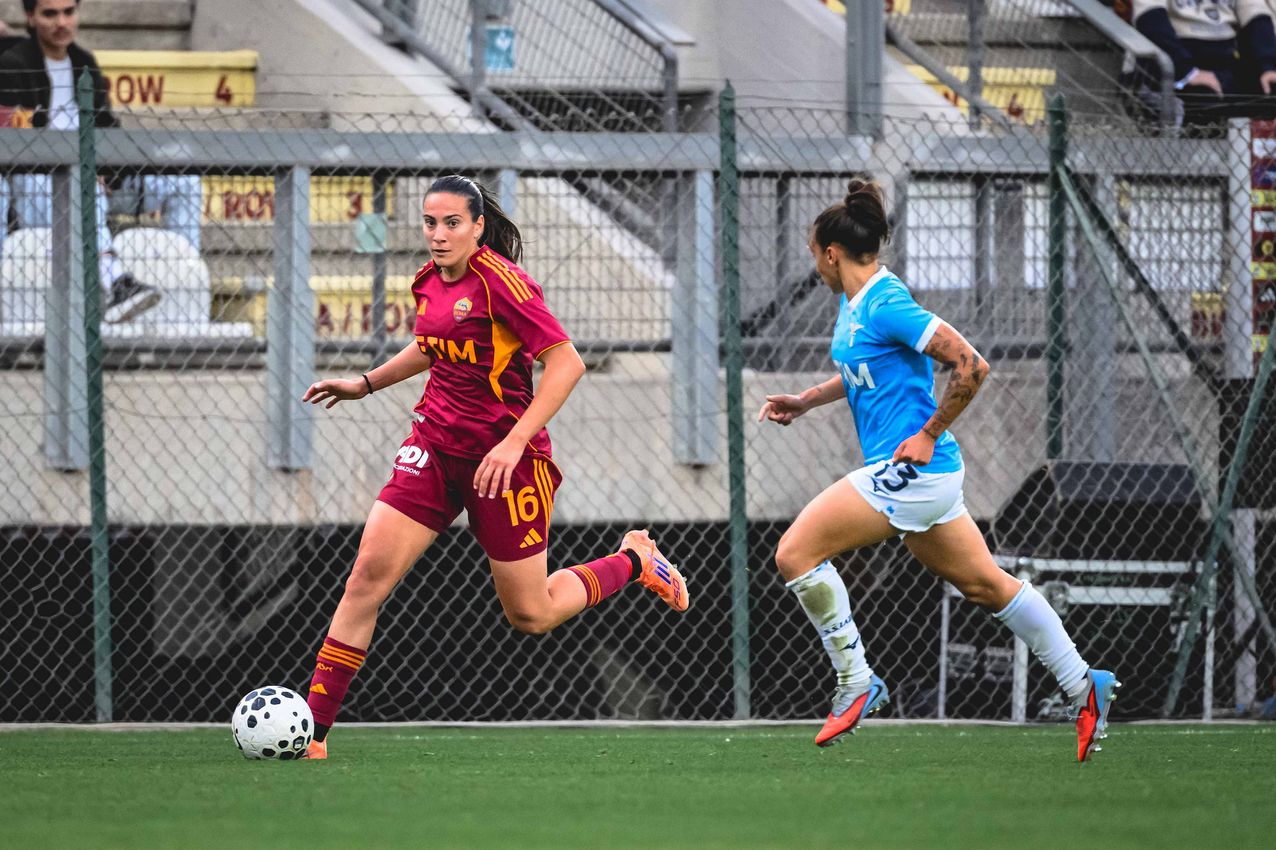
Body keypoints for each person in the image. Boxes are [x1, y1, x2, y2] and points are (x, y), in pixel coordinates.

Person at [298, 175, 690, 759]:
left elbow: (567, 365)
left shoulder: (504, 285)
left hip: (507, 463)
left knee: (531, 614)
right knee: (365, 579)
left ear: (478, 227)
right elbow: (433, 346)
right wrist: (366, 382)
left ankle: (634, 560)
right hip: (432, 446)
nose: (438, 234)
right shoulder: (427, 281)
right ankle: (311, 735)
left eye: (452, 223)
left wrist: (512, 442)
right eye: (430, 223)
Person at [758, 177, 1120, 761]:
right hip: (922, 479)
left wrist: (928, 434)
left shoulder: (885, 302)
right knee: (984, 584)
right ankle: (1085, 685)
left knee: (794, 554)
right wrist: (806, 399)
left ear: (831, 253)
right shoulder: (855, 306)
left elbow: (971, 365)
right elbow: (863, 372)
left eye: (814, 256)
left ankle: (856, 682)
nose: (816, 268)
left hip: (915, 473)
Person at [0, 0, 202, 323]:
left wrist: (107, 170)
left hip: (95, 180)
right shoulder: (13, 65)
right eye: (50, 14)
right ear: (31, 17)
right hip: (37, 185)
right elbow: (12, 144)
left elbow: (108, 131)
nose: (62, 22)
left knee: (183, 184)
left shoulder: (84, 64)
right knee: (80, 180)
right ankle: (114, 279)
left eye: (69, 12)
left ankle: (189, 297)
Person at [1132, 0, 1276, 124]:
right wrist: (1188, 73)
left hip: (1226, 57)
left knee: (1269, 91)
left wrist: (1268, 66)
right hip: (1179, 59)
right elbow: (1149, 19)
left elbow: (1255, 14)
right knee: (1205, 101)